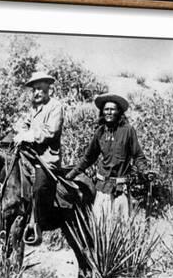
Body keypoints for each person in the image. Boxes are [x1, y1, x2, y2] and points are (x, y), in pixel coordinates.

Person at [66, 93, 154, 222]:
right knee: (100, 227)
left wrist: (145, 171)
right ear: (102, 112)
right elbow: (88, 157)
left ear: (119, 111)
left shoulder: (128, 131)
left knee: (121, 227)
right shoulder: (100, 132)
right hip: (102, 188)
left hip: (120, 188)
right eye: (106, 109)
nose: (109, 112)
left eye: (112, 109)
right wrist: (72, 174)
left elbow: (138, 156)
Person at [13, 71, 64, 244]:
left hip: (46, 158)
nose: (36, 93)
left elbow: (50, 131)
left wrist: (29, 135)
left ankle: (36, 225)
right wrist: (20, 129)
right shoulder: (33, 108)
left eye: (40, 89)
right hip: (29, 155)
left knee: (38, 188)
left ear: (48, 89)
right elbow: (24, 123)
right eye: (34, 89)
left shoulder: (55, 106)